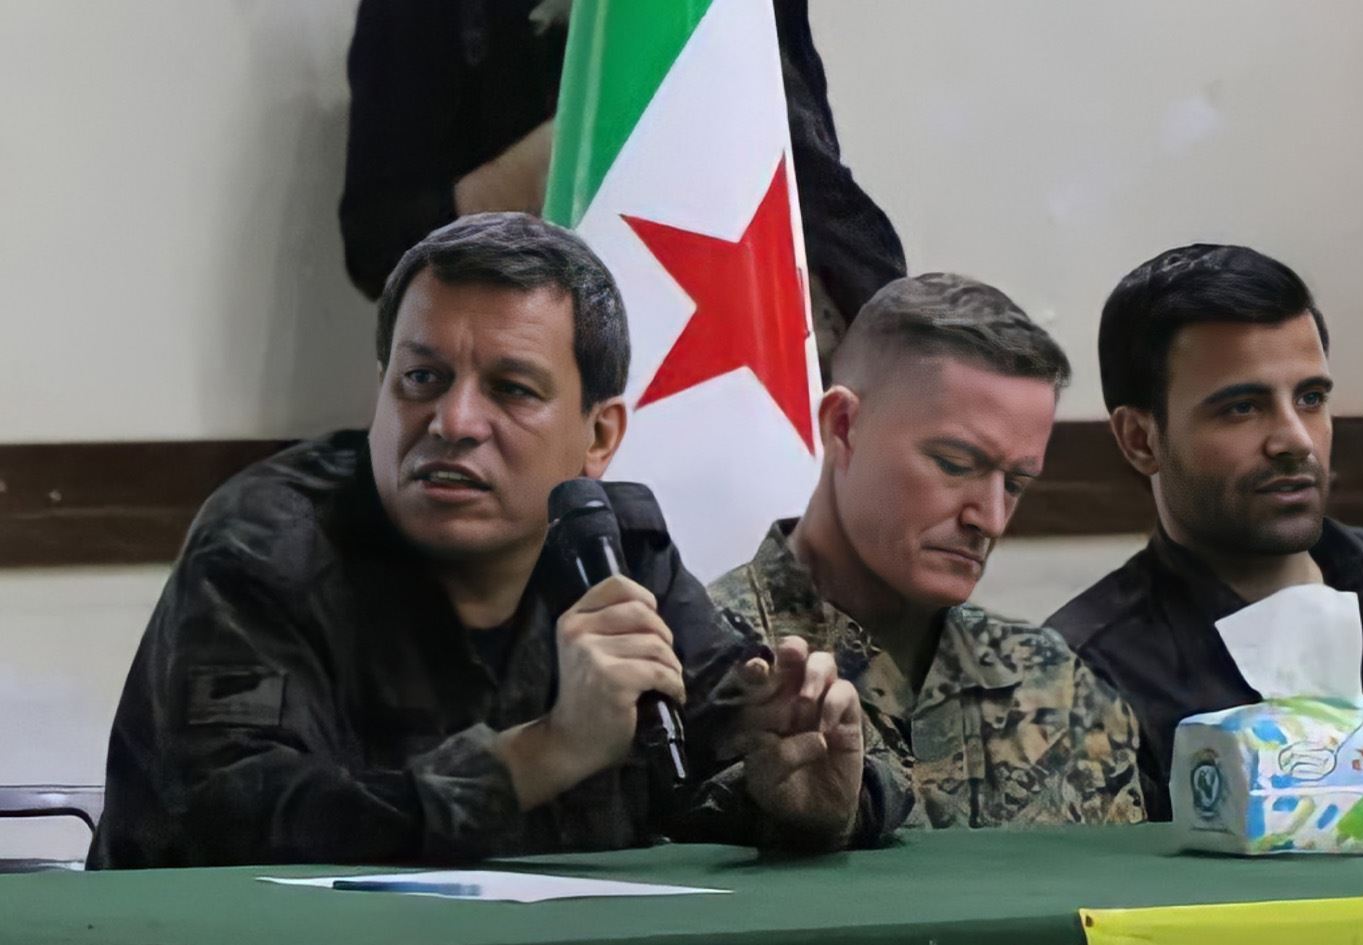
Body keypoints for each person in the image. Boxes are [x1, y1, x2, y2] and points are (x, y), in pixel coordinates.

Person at [88, 213, 905, 868]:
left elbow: (735, 761)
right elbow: (228, 824)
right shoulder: (272, 541)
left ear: (598, 436)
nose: (453, 421)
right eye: (422, 379)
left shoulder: (615, 552)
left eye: (510, 389)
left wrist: (817, 804)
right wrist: (540, 754)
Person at [1046, 243, 1363, 820]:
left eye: (1310, 398)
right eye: (1242, 407)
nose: (1296, 439)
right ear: (1140, 439)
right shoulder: (1085, 677)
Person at [710, 273, 1146, 829]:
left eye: (1016, 484)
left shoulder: (1060, 693)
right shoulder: (704, 665)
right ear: (844, 427)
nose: (990, 519)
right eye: (955, 465)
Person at [337, 0, 906, 374]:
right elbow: (379, 242)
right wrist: (570, 147)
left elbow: (808, 174)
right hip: (525, 377)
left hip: (746, 364)